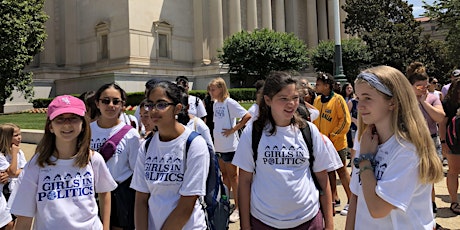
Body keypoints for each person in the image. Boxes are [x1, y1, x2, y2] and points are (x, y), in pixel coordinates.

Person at [345, 66, 444, 229]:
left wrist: (365, 161)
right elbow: (356, 198)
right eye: (358, 97)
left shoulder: (408, 150)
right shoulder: (367, 140)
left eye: (367, 98)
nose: (359, 106)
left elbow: (377, 209)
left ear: (392, 102)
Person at [233, 71, 334, 229]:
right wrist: (245, 226)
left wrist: (329, 225)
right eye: (283, 99)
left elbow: (323, 179)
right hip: (263, 222)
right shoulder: (253, 132)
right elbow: (244, 182)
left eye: (295, 98)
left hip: (307, 221)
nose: (292, 104)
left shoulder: (309, 131)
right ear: (268, 100)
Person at [11, 95, 117, 230]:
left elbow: (105, 191)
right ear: (50, 126)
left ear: (83, 124)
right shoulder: (36, 165)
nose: (67, 124)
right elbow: (24, 217)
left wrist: (105, 227)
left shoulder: (93, 159)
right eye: (60, 119)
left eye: (73, 118)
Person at [130, 81, 209, 230]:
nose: (153, 111)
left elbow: (187, 204)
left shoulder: (194, 144)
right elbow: (141, 198)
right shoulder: (146, 146)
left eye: (161, 105)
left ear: (177, 108)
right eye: (150, 104)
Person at [90, 83, 140, 230]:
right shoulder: (87, 131)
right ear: (97, 103)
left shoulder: (131, 134)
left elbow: (136, 172)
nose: (110, 105)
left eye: (116, 101)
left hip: (121, 196)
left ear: (122, 105)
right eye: (105, 101)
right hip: (90, 194)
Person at [208, 77, 252, 223]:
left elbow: (247, 116)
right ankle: (226, 203)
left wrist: (234, 129)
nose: (210, 92)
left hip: (230, 146)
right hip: (219, 146)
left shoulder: (230, 103)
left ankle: (239, 208)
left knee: (234, 177)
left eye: (213, 89)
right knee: (225, 176)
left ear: (221, 88)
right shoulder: (215, 104)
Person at [406, 62, 445, 218]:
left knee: (429, 176)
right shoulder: (406, 100)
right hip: (411, 142)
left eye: (425, 85)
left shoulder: (432, 98)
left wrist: (423, 101)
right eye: (419, 85)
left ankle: (431, 203)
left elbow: (440, 117)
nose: (423, 88)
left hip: (430, 139)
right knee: (412, 176)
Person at [313, 72, 351, 215]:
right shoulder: (317, 101)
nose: (316, 86)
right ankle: (334, 199)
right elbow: (314, 120)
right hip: (322, 144)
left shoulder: (338, 99)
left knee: (341, 171)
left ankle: (351, 200)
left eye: (318, 84)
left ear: (327, 86)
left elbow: (345, 121)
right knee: (328, 172)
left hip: (337, 143)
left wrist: (334, 135)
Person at [439, 78, 460, 215]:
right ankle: (454, 201)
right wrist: (443, 142)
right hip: (453, 142)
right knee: (453, 171)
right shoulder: (447, 103)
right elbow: (442, 124)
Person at [0, 123, 27, 230]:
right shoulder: (2, 154)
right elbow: (12, 171)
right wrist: (14, 153)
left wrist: (12, 174)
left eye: (20, 134)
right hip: (3, 193)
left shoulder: (20, 152)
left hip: (14, 191)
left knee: (13, 221)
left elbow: (25, 170)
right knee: (7, 224)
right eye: (15, 135)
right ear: (6, 137)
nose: (19, 137)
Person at [341, 83, 358, 165]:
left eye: (351, 88)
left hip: (364, 127)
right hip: (354, 127)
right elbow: (347, 115)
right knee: (354, 147)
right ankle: (353, 164)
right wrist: (354, 121)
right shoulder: (352, 102)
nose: (349, 89)